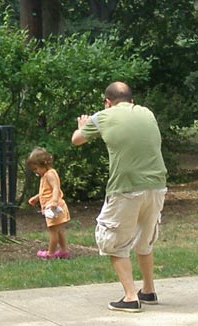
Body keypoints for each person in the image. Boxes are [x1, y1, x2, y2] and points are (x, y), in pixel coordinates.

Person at [71, 81, 167, 313]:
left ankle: (130, 297)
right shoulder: (147, 112)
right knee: (144, 241)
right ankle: (149, 290)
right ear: (131, 100)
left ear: (107, 102)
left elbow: (76, 140)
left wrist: (83, 125)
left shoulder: (104, 115)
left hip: (125, 188)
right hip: (157, 185)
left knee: (114, 242)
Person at [26, 147, 71, 259]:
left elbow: (56, 188)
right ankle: (64, 251)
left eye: (36, 169)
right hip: (54, 207)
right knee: (58, 231)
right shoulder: (45, 175)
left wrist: (54, 201)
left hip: (54, 208)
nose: (36, 172)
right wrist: (37, 198)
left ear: (43, 164)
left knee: (52, 232)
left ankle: (50, 253)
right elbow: (46, 191)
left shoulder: (50, 174)